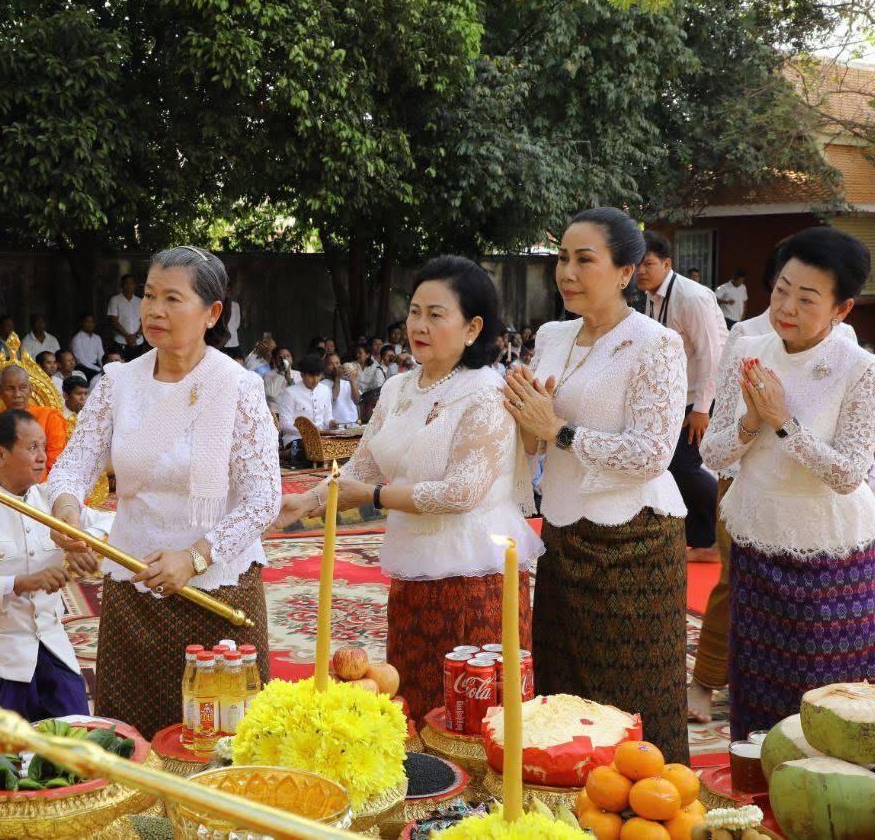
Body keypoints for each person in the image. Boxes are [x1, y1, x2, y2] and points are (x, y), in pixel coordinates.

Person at [276, 256, 542, 723]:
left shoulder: (485, 392)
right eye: (415, 312)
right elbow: (362, 464)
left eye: (436, 315)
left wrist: (375, 498)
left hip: (475, 572)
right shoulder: (399, 387)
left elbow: (461, 492)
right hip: (414, 567)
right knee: (410, 698)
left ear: (472, 327)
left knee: (468, 717)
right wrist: (309, 501)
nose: (418, 325)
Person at [46, 245, 280, 737]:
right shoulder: (117, 383)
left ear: (212, 313)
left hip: (218, 592)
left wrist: (193, 558)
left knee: (221, 746)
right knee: (130, 741)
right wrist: (65, 511)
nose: (154, 310)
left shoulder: (236, 387)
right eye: (149, 296)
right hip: (134, 591)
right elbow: (71, 469)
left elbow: (263, 497)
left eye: (172, 299)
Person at [502, 207, 690, 763]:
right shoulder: (553, 335)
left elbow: (653, 453)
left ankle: (644, 807)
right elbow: (535, 437)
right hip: (563, 528)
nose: (568, 271)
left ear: (627, 271)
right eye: (562, 257)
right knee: (563, 690)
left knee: (632, 699)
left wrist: (556, 430)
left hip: (633, 539)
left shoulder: (656, 344)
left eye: (586, 260)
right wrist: (521, 416)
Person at [700, 226, 875, 740]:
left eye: (807, 298)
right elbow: (713, 452)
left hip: (833, 555)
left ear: (841, 309)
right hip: (759, 538)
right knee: (759, 692)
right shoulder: (748, 348)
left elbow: (849, 474)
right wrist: (751, 423)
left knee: (835, 700)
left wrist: (784, 422)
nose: (786, 306)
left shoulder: (862, 369)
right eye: (781, 289)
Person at [0, 410, 105, 720]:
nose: (43, 457)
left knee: (81, 742)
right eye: (32, 448)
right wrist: (23, 582)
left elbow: (111, 520)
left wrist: (81, 540)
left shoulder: (50, 501)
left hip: (50, 647)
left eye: (43, 447)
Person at [637, 232, 727, 563]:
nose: (641, 272)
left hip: (703, 392)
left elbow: (711, 356)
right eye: (637, 266)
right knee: (670, 465)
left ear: (667, 263)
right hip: (674, 396)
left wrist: (702, 409)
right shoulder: (650, 297)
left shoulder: (691, 297)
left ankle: (729, 518)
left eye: (648, 264)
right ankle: (704, 540)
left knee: (682, 466)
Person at [0, 365, 68, 479]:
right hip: (5, 490)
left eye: (22, 387)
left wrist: (35, 493)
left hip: (44, 488)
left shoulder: (50, 417)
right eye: (10, 388)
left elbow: (56, 464)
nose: (17, 395)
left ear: (30, 389)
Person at [276, 354, 332, 465]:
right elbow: (285, 423)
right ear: (302, 374)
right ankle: (285, 453)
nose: (315, 380)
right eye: (311, 376)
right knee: (307, 451)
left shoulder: (325, 390)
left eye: (318, 376)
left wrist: (332, 423)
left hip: (321, 438)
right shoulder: (290, 392)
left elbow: (328, 418)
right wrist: (310, 432)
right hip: (297, 439)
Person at [106, 273, 144, 359]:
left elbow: (145, 321)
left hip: (138, 342)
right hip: (121, 341)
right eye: (126, 283)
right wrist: (127, 336)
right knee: (121, 368)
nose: (129, 285)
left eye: (131, 283)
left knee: (136, 369)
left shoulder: (140, 301)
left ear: (135, 285)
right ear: (122, 285)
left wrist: (137, 335)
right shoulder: (115, 300)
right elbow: (114, 321)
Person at [322, 352, 360, 425]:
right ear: (325, 368)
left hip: (353, 424)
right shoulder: (323, 384)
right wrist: (337, 378)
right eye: (331, 364)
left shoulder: (347, 383)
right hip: (335, 425)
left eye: (337, 363)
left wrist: (352, 380)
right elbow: (334, 398)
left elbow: (357, 401)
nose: (335, 367)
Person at [70, 314, 105, 381]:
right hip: (83, 368)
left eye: (92, 322)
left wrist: (103, 367)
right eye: (87, 322)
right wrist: (98, 369)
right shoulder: (77, 339)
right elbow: (81, 360)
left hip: (96, 366)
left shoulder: (97, 338)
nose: (90, 324)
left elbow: (101, 355)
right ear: (82, 323)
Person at [262, 347, 294, 415]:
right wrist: (281, 372)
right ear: (275, 360)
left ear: (291, 359)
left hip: (292, 413)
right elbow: (272, 393)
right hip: (276, 414)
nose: (284, 358)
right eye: (281, 357)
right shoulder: (268, 375)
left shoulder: (299, 375)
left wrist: (290, 380)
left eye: (287, 356)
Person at [222, 279, 243, 358]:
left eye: (229, 290)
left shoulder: (235, 305)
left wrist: (231, 330)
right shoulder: (218, 305)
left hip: (233, 339)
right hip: (220, 341)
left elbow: (237, 322)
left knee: (238, 360)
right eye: (225, 290)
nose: (227, 293)